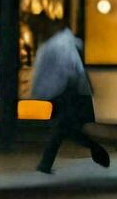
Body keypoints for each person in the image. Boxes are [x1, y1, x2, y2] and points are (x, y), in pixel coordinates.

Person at [31, 25, 109, 174]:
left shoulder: (57, 45)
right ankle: (95, 149)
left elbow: (64, 70)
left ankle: (45, 164)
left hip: (64, 94)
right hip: (70, 93)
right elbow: (76, 69)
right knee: (65, 129)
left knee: (61, 129)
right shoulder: (68, 44)